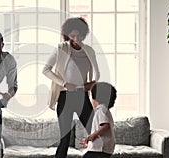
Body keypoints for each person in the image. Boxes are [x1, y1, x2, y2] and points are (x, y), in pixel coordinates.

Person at [42, 17, 100, 158]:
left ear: (84, 34)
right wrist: (64, 83)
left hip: (82, 96)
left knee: (95, 133)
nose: (76, 39)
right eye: (72, 35)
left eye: (79, 35)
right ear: (67, 34)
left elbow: (97, 74)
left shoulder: (89, 51)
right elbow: (46, 70)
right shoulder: (61, 48)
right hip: (65, 97)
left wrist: (92, 83)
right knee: (65, 139)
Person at [80, 82, 116, 158]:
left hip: (100, 149)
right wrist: (90, 142)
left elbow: (105, 126)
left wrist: (92, 136)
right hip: (102, 148)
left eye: (91, 97)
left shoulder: (101, 109)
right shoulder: (105, 109)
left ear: (96, 98)